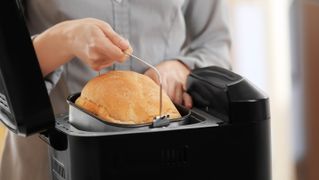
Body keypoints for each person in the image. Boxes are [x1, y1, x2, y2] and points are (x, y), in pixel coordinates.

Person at [0, 0, 231, 179]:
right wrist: (64, 39)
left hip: (163, 158)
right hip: (51, 161)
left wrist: (180, 67)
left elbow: (215, 43)